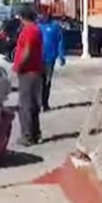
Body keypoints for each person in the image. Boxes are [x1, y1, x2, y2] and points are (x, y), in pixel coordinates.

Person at [12, 11, 45, 146]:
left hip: (29, 72)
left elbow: (28, 50)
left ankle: (27, 136)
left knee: (25, 105)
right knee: (32, 104)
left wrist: (20, 66)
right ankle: (35, 133)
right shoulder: (34, 30)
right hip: (34, 71)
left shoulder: (29, 31)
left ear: (23, 18)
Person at [38, 16, 66, 111]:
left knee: (47, 82)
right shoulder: (37, 27)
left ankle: (45, 104)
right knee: (40, 82)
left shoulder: (56, 27)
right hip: (38, 58)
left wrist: (61, 56)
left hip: (50, 59)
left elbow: (60, 42)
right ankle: (40, 103)